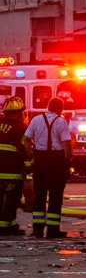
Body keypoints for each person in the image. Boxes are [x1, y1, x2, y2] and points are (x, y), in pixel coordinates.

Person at [23, 97, 72, 239]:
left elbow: (26, 140)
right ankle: (53, 230)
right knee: (55, 196)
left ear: (48, 106)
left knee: (39, 195)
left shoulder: (36, 120)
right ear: (60, 108)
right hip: (56, 161)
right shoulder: (61, 121)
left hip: (40, 160)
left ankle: (37, 230)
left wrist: (31, 155)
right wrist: (67, 160)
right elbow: (67, 145)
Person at [0, 98, 27, 236]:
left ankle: (10, 224)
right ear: (19, 113)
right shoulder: (21, 127)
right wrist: (29, 165)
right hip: (12, 170)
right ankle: (5, 225)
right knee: (12, 197)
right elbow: (24, 148)